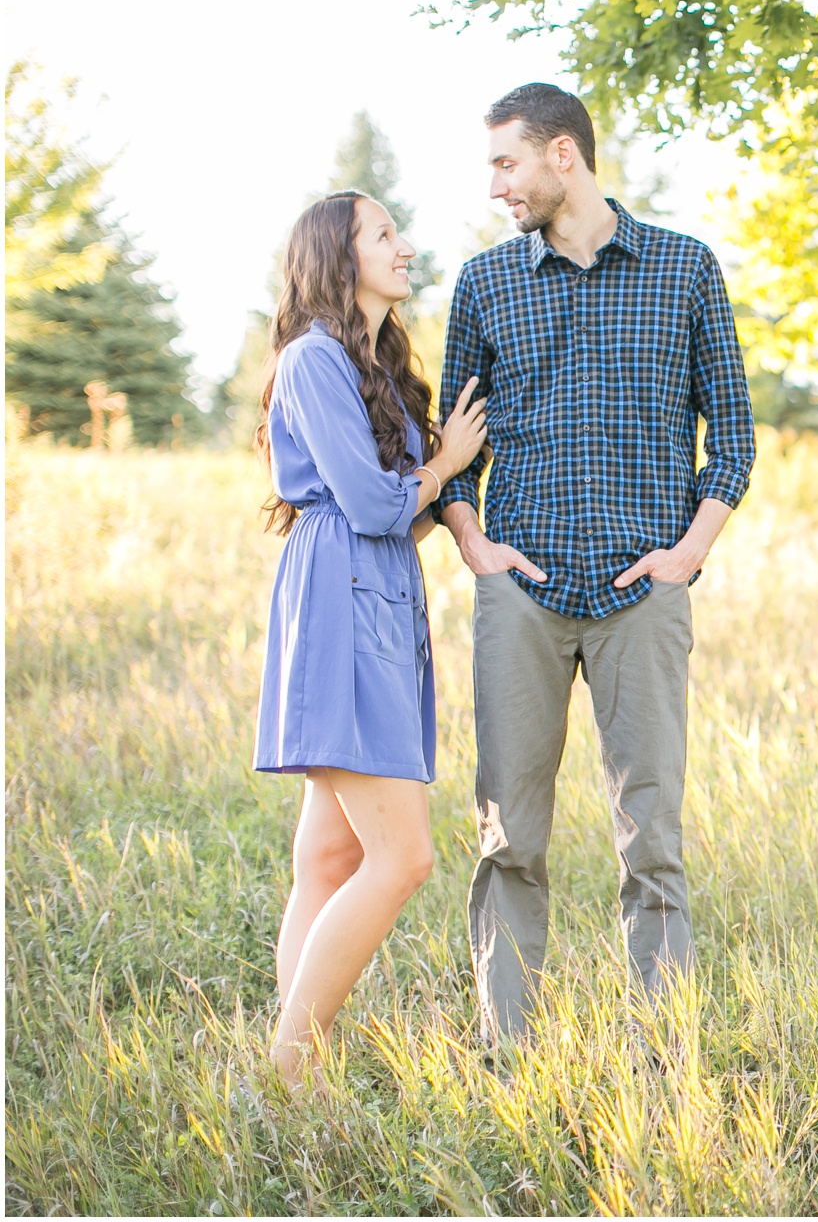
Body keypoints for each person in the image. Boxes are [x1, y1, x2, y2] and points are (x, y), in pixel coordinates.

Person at [438, 83, 754, 1046]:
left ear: (562, 155)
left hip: (641, 599)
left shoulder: (683, 268)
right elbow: (454, 444)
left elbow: (733, 435)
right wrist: (472, 543)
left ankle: (664, 1053)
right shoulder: (486, 285)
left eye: (506, 162)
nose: (496, 184)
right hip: (521, 599)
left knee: (651, 839)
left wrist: (684, 559)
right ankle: (507, 1049)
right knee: (509, 838)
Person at [252, 191, 488, 1087]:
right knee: (404, 857)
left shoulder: (375, 369)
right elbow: (373, 503)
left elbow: (403, 520)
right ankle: (288, 1063)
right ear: (339, 259)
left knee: (331, 854)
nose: (404, 245)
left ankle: (292, 1065)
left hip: (372, 597)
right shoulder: (313, 360)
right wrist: (442, 466)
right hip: (341, 606)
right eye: (384, 234)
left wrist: (440, 490)